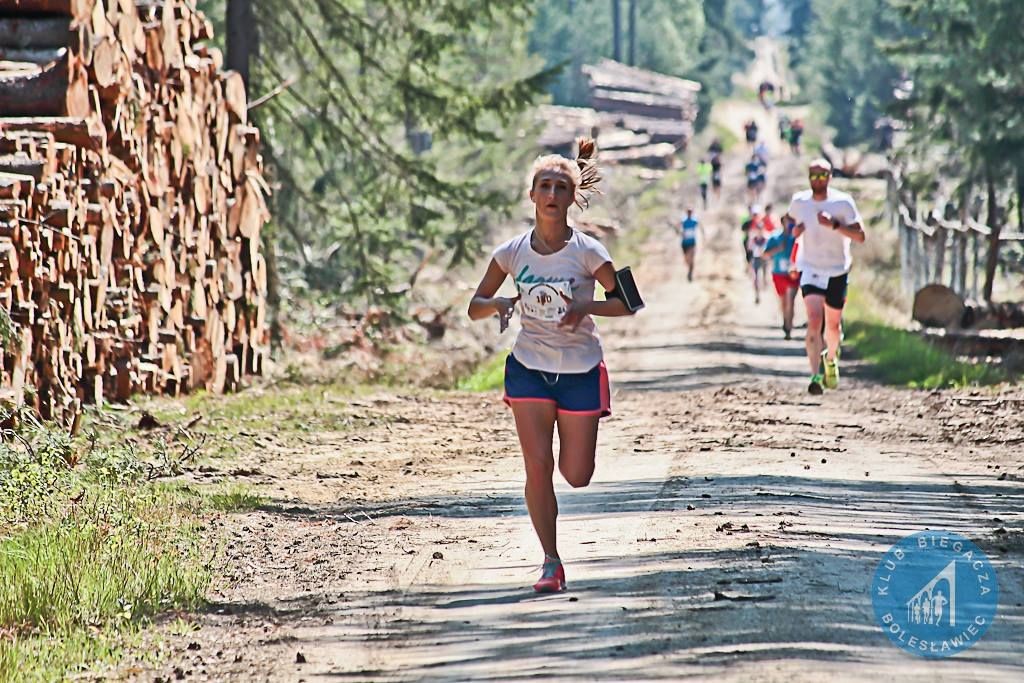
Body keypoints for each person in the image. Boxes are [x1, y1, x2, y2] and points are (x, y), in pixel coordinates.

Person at [467, 137, 636, 593]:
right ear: (532, 195)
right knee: (536, 467)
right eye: (545, 185)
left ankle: (555, 538)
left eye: (561, 187)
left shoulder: (590, 252)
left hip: (580, 369)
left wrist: (587, 308)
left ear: (571, 197)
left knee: (575, 475)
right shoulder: (511, 252)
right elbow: (474, 305)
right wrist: (499, 303)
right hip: (529, 367)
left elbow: (629, 303)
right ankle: (550, 561)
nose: (552, 194)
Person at [783, 159, 866, 395]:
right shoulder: (800, 201)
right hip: (810, 268)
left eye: (822, 175)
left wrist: (835, 226)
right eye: (813, 175)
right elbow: (789, 221)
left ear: (830, 176)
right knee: (814, 319)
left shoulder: (843, 202)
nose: (817, 180)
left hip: (837, 269)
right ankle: (815, 375)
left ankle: (830, 358)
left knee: (833, 325)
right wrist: (794, 231)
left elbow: (860, 236)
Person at [764, 215, 800, 338]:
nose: (789, 224)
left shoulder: (797, 238)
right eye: (787, 221)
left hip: (793, 274)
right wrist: (778, 249)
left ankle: (789, 326)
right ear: (782, 222)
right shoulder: (774, 237)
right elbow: (765, 254)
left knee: (791, 300)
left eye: (791, 221)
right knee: (784, 301)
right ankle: (785, 321)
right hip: (778, 273)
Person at [680, 207, 703, 282]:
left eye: (690, 212)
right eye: (688, 212)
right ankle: (689, 267)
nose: (689, 213)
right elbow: (679, 228)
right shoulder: (684, 221)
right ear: (687, 213)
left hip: (692, 242)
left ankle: (690, 272)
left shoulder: (694, 221)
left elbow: (700, 226)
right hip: (684, 243)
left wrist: (703, 234)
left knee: (691, 259)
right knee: (687, 259)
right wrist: (680, 233)